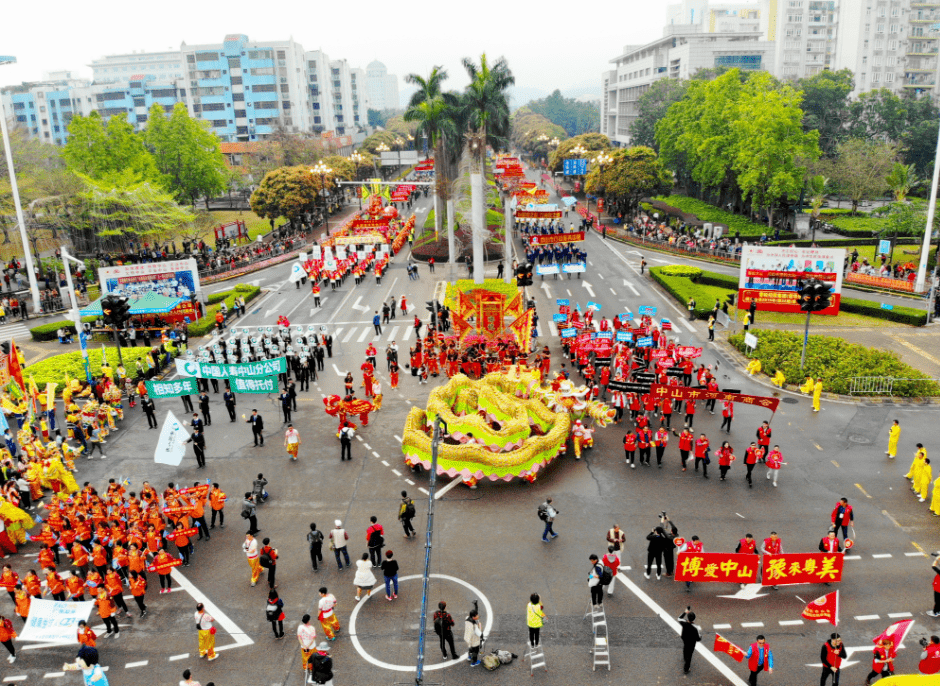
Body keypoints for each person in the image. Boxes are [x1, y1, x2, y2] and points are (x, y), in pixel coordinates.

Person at [678, 607, 701, 674]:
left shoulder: (684, 623)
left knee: (685, 648)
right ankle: (686, 669)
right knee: (689, 655)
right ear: (694, 619)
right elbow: (698, 638)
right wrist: (700, 637)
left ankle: (684, 657)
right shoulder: (695, 627)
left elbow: (679, 618)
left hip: (685, 639)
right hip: (691, 643)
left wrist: (685, 612)